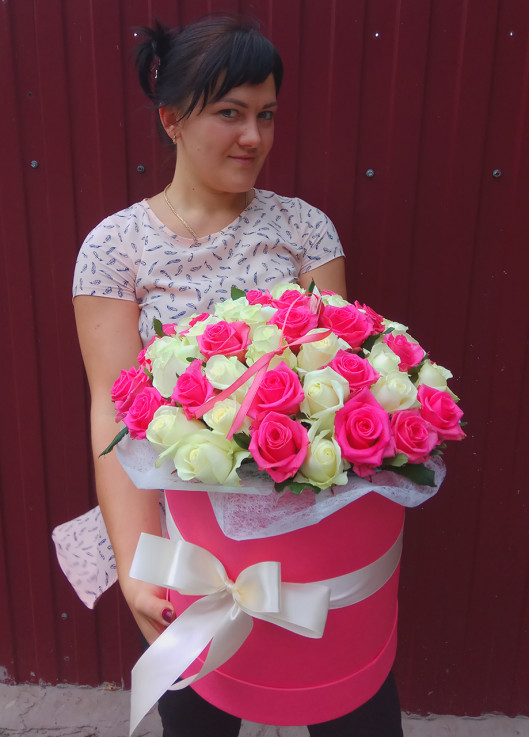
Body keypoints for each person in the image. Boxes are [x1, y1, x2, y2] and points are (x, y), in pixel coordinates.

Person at [72, 14, 403, 737]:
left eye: (267, 115)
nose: (253, 137)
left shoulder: (304, 229)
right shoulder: (114, 248)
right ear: (172, 119)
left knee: (355, 711)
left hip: (310, 529)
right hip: (190, 541)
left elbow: (343, 386)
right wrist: (136, 562)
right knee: (200, 716)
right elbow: (112, 408)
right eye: (230, 114)